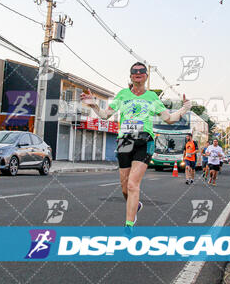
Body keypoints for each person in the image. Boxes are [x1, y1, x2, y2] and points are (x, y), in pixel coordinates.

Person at [81, 62, 191, 228]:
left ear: (146, 76)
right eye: (135, 71)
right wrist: (94, 105)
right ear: (131, 76)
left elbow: (169, 118)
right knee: (125, 188)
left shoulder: (152, 98)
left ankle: (129, 225)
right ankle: (136, 205)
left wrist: (184, 109)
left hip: (144, 141)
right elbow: (105, 115)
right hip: (125, 142)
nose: (138, 73)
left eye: (142, 71)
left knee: (133, 184)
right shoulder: (122, 95)